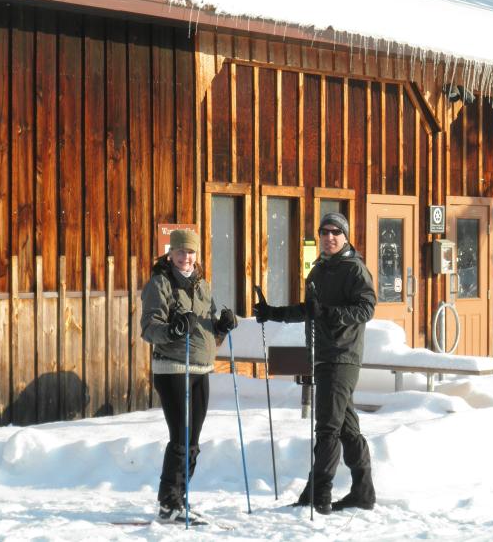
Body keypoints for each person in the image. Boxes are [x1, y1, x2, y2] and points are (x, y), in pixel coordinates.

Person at [253, 212, 377, 515]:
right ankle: (363, 492)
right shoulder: (319, 270)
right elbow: (310, 311)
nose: (330, 237)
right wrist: (272, 313)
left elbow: (367, 307)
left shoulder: (354, 269)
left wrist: (332, 314)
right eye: (325, 232)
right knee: (346, 429)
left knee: (327, 429)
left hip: (342, 356)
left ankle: (318, 494)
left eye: (336, 232)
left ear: (346, 237)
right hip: (323, 356)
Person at [140, 228, 237, 523]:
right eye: (181, 252)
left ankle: (180, 498)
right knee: (181, 437)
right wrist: (171, 329)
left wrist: (220, 327)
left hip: (200, 369)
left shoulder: (202, 286)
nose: (186, 257)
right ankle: (168, 503)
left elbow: (205, 331)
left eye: (191, 252)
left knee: (192, 438)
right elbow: (149, 327)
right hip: (172, 368)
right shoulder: (160, 283)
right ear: (171, 254)